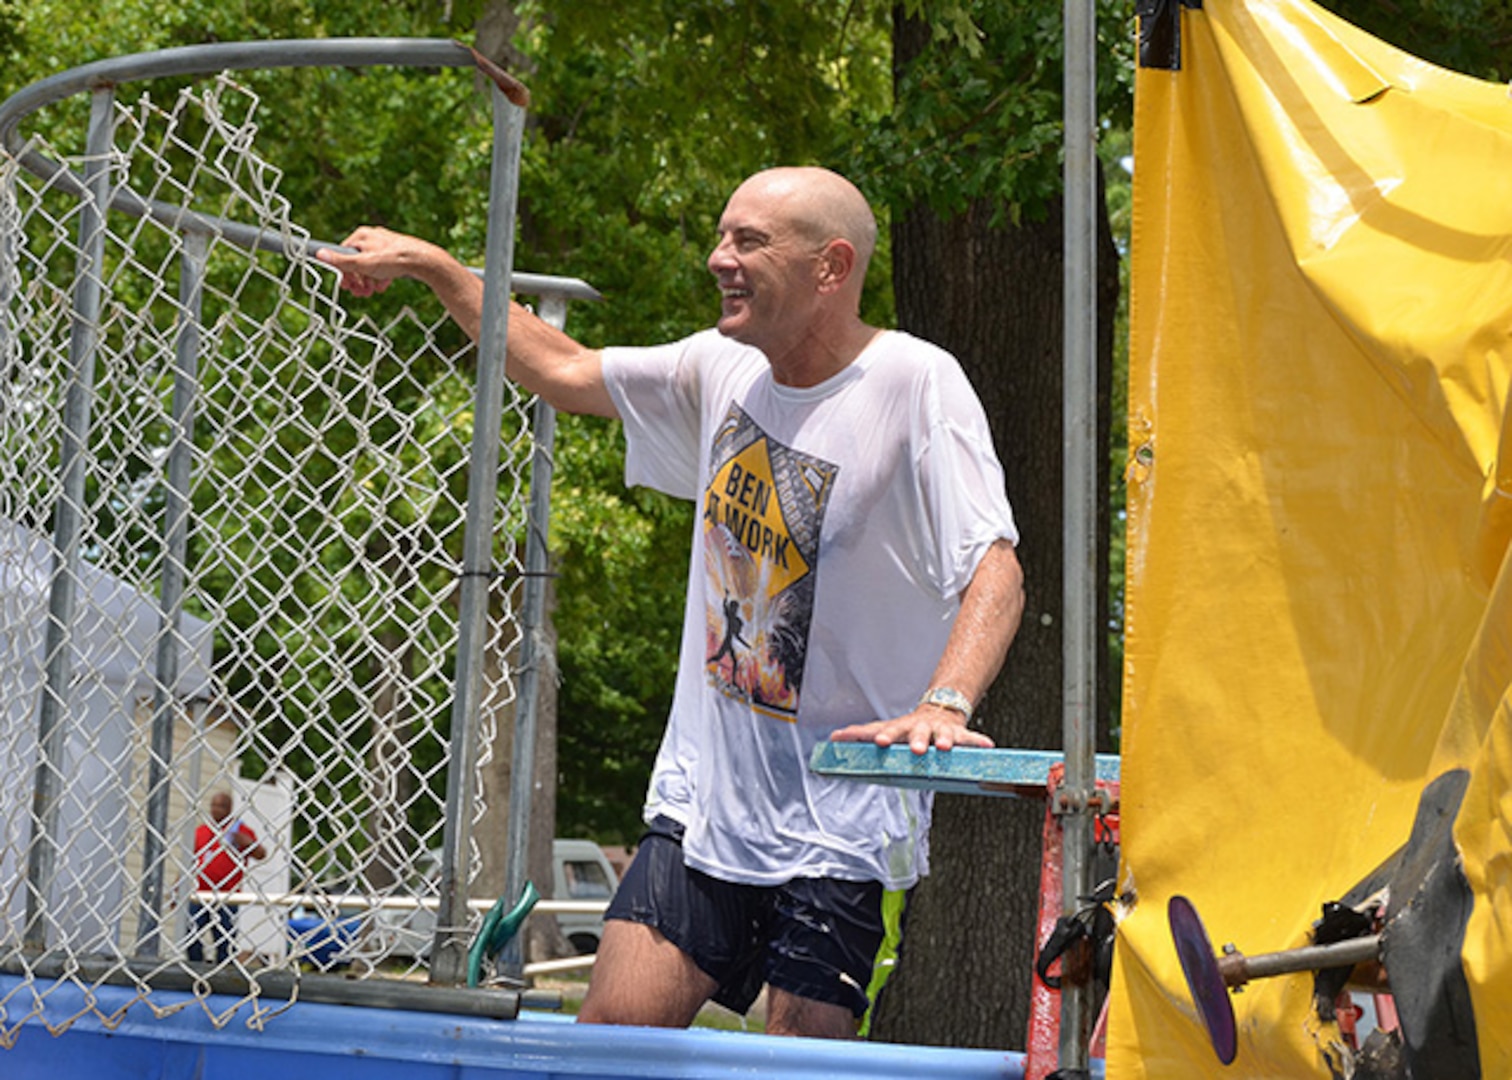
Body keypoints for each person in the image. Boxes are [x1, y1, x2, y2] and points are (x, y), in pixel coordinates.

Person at [318, 166, 1025, 1037]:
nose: (717, 258)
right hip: (703, 806)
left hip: (840, 818)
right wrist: (437, 270)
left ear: (831, 267)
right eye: (722, 235)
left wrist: (943, 704)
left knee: (800, 1064)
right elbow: (567, 368)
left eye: (748, 242)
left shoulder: (915, 383)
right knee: (610, 1045)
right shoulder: (717, 368)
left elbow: (994, 563)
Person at [188, 790, 267, 964]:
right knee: (191, 934)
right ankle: (196, 967)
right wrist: (179, 886)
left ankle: (223, 971)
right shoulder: (201, 831)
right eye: (213, 806)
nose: (216, 810)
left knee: (224, 938)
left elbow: (261, 854)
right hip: (200, 892)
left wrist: (248, 843)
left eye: (221, 806)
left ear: (230, 809)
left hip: (227, 894)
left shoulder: (239, 831)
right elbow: (189, 862)